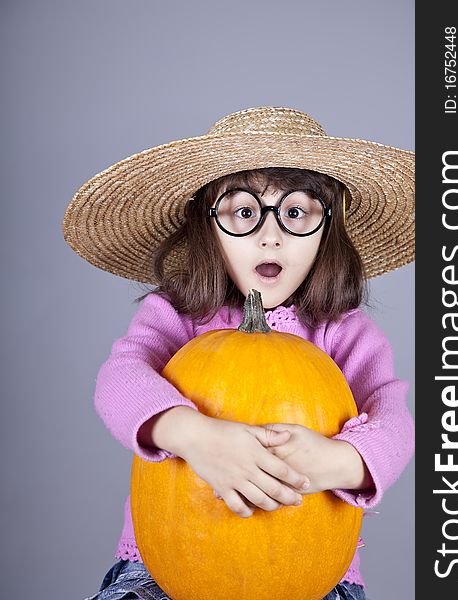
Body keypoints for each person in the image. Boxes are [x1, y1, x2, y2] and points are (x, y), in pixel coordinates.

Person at [63, 106, 415, 600]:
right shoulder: (180, 315)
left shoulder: (345, 333)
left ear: (326, 229)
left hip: (312, 579)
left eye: (295, 212)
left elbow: (395, 424)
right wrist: (194, 435)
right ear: (208, 227)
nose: (269, 234)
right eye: (244, 212)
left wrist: (338, 462)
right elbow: (119, 379)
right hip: (165, 571)